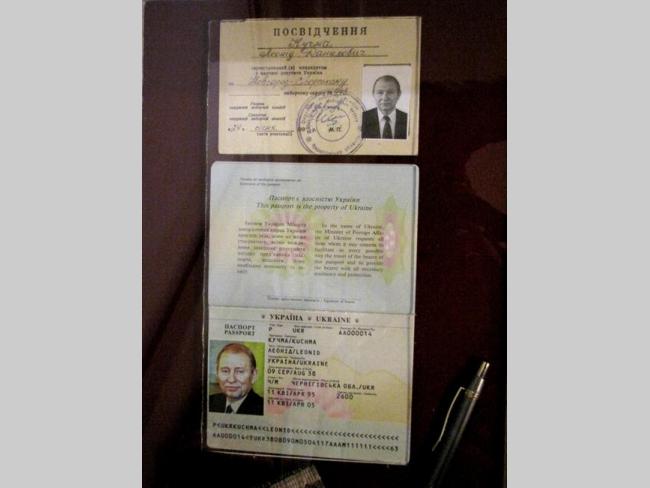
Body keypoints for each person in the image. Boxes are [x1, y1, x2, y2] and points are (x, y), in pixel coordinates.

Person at [209, 343, 264, 415]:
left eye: (240, 371)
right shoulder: (209, 402)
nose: (231, 380)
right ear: (217, 373)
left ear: (254, 375)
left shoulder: (263, 409)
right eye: (225, 371)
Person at [361, 75, 408, 139]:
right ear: (373, 94)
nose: (385, 98)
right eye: (380, 92)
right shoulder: (362, 118)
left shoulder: (408, 119)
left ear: (398, 94)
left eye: (390, 92)